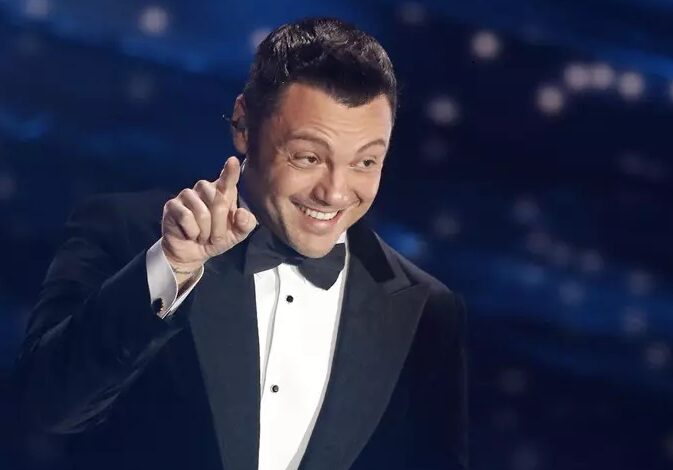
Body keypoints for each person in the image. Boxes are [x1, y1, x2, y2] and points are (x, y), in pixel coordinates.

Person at [15, 17, 468, 470]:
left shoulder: (426, 310)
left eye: (365, 162)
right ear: (244, 124)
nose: (334, 192)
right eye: (308, 157)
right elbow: (46, 408)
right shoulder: (127, 231)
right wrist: (171, 267)